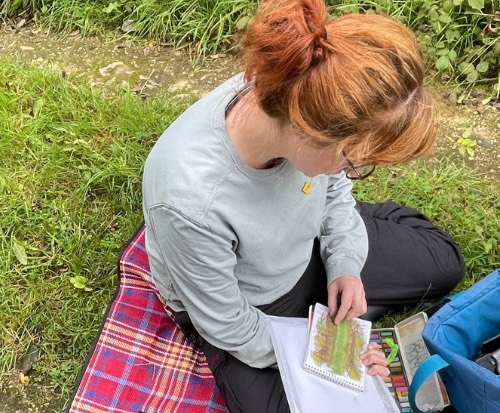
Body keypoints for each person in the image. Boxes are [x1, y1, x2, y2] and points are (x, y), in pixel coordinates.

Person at [142, 0, 466, 411]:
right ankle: (324, 325)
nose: (355, 172)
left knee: (444, 261)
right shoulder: (189, 199)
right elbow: (228, 324)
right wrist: (329, 355)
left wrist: (345, 265)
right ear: (311, 130)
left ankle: (330, 314)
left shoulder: (303, 93)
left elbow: (334, 192)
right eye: (354, 162)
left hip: (304, 248)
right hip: (252, 304)